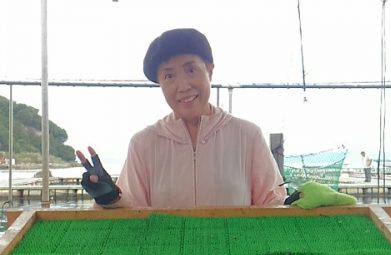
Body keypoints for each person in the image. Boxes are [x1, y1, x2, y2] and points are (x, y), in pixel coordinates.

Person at [78, 28, 287, 209]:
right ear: (160, 83)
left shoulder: (247, 136)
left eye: (191, 70)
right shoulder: (143, 144)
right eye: (169, 76)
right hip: (165, 246)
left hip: (234, 245)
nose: (183, 86)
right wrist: (109, 197)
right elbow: (132, 210)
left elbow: (273, 204)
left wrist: (295, 201)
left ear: (210, 70)